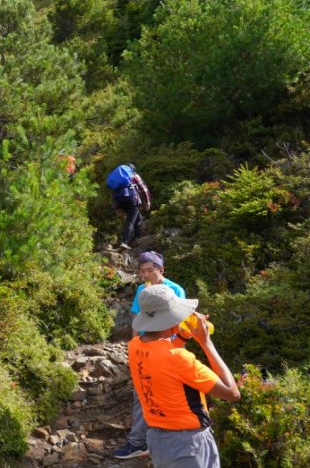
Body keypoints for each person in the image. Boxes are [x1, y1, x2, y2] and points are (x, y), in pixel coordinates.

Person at [126, 284, 240, 467]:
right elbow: (232, 393)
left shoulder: (134, 346)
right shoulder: (179, 358)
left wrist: (183, 336)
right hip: (188, 445)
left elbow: (162, 360)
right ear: (171, 319)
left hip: (158, 440)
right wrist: (206, 343)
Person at [113, 251, 185, 460]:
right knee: (142, 394)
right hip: (145, 348)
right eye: (142, 271)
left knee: (163, 397)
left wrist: (172, 350)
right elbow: (138, 319)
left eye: (150, 270)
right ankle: (139, 441)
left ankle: (152, 441)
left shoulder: (175, 290)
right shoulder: (141, 289)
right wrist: (134, 345)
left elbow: (178, 323)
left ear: (161, 269)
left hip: (167, 349)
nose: (146, 275)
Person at [107, 164, 151, 246]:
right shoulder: (134, 175)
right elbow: (144, 189)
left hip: (120, 201)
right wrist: (147, 203)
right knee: (130, 221)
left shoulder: (119, 178)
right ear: (133, 169)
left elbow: (114, 192)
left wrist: (118, 208)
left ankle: (137, 238)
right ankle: (125, 242)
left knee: (138, 218)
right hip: (132, 200)